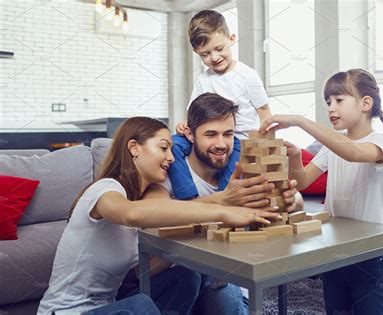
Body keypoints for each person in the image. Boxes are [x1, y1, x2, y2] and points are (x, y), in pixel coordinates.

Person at [37, 117, 280, 315]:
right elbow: (131, 215)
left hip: (110, 307)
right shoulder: (106, 190)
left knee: (185, 277)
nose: (171, 158)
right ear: (134, 148)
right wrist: (225, 212)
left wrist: (222, 202)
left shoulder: (143, 200)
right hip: (67, 312)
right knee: (140, 306)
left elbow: (141, 269)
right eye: (163, 148)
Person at [259, 69, 383, 315]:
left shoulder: (381, 142)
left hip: (367, 252)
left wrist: (300, 120)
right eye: (328, 102)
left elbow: (353, 153)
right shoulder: (333, 146)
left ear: (365, 103)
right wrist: (296, 157)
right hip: (333, 249)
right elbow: (304, 180)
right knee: (336, 310)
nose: (331, 108)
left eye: (339, 100)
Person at [157, 93, 302, 314]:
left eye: (228, 134)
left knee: (224, 289)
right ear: (189, 134)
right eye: (211, 134)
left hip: (231, 281)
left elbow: (294, 200)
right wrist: (223, 202)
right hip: (187, 280)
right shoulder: (170, 171)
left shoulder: (244, 169)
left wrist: (292, 199)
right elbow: (158, 218)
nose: (221, 144)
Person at [170, 9, 273, 200]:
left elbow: (265, 112)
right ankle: (189, 198)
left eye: (219, 49)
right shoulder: (203, 79)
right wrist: (184, 124)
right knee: (173, 144)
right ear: (196, 52)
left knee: (231, 175)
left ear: (231, 38)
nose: (214, 57)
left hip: (240, 140)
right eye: (205, 54)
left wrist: (265, 141)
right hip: (209, 136)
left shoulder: (247, 75)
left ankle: (223, 205)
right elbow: (193, 113)